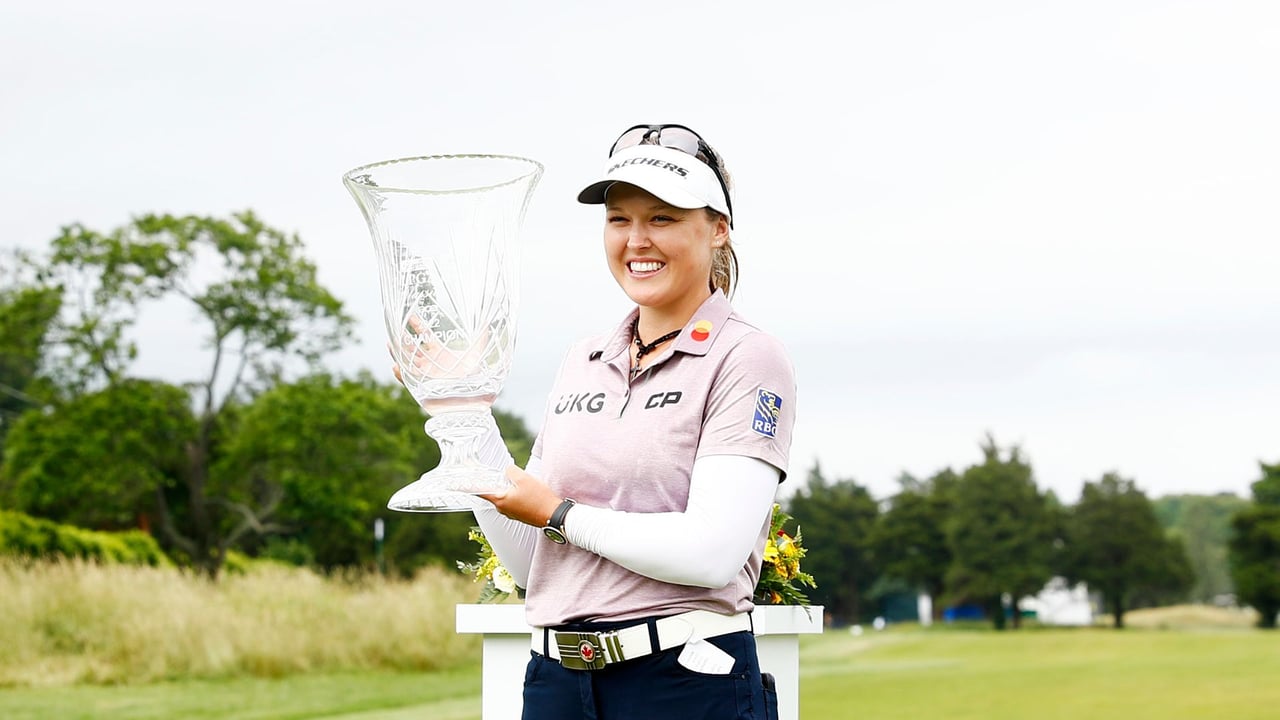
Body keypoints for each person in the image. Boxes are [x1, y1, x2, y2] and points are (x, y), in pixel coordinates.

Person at [464, 124, 796, 720]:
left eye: (663, 218)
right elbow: (529, 562)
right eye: (619, 219)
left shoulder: (745, 356)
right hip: (556, 685)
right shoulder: (583, 359)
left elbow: (712, 554)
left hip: (682, 680)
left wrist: (559, 514)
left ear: (718, 229)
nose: (637, 240)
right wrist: (464, 416)